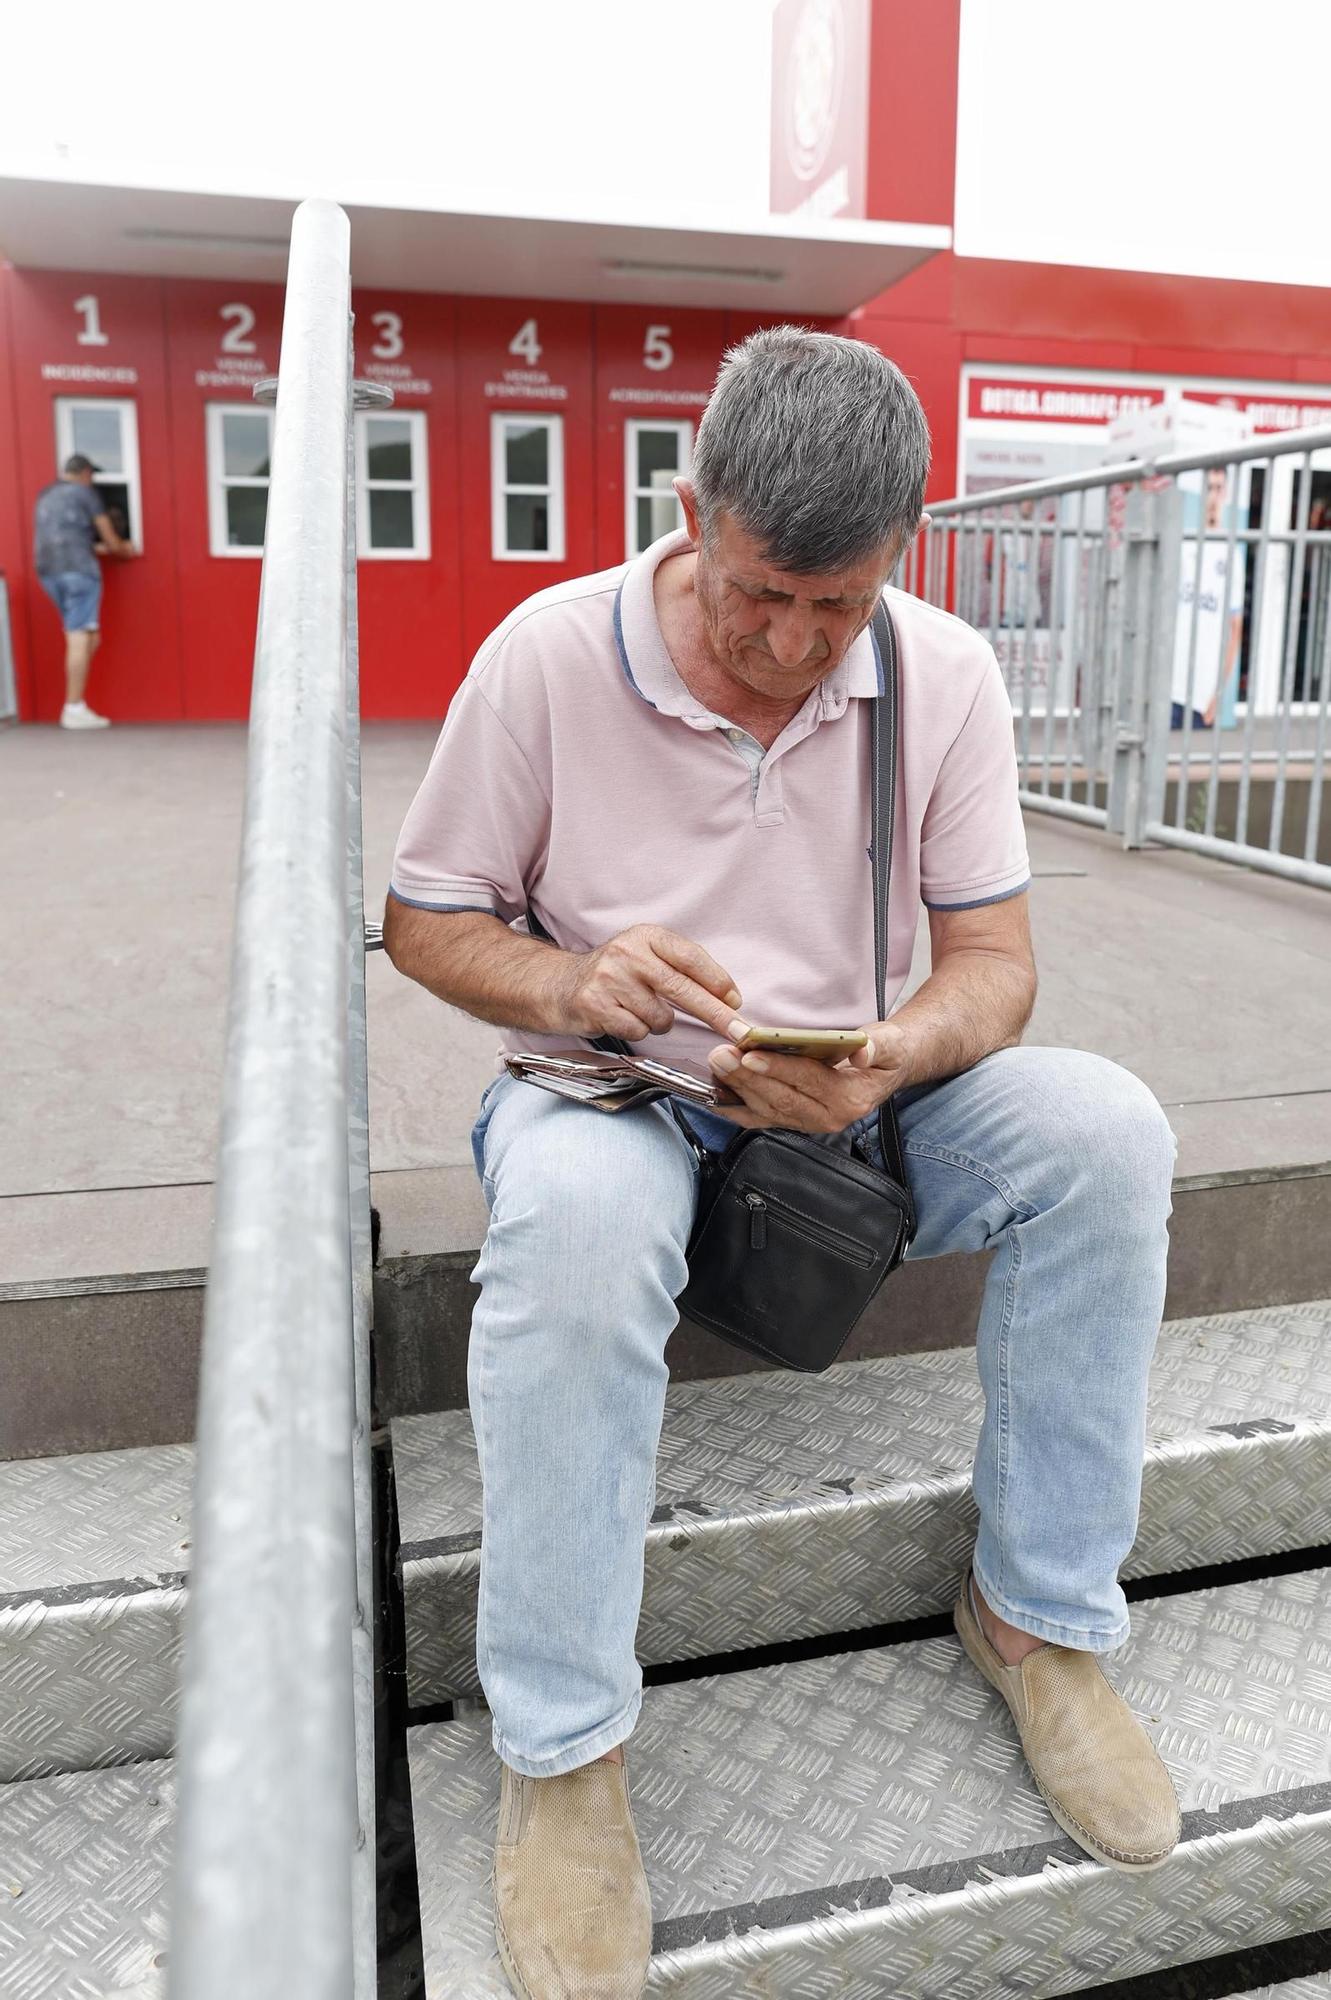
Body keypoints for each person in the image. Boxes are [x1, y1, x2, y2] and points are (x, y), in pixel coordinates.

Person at [385, 329, 1180, 2000]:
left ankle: (1037, 1618)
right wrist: (571, 979)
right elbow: (427, 921)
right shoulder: (546, 656)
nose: (794, 646)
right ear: (692, 513)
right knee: (584, 1226)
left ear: (899, 551)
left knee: (1104, 1129)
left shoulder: (941, 671)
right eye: (761, 596)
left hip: (849, 1094)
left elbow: (996, 967)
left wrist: (898, 1052)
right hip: (609, 1085)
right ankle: (560, 1748)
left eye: (840, 608)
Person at [32, 453, 136, 728]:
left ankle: (76, 705)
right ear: (86, 472)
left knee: (90, 636)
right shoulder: (84, 493)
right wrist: (125, 548)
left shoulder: (46, 495)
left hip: (47, 571)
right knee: (79, 636)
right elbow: (111, 539)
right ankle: (73, 708)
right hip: (79, 570)